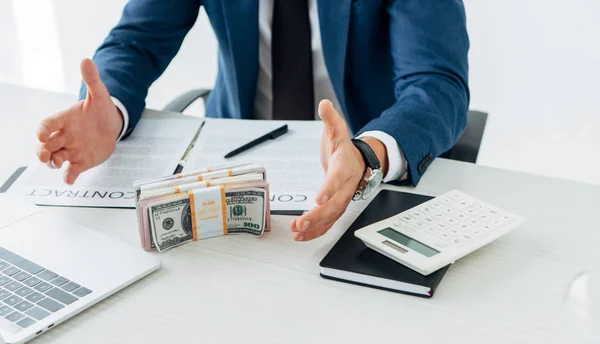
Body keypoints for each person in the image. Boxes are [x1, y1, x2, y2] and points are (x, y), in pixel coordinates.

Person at [35, 0, 470, 242]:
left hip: (358, 167)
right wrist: (110, 111)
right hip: (234, 160)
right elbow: (136, 41)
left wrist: (369, 152)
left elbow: (437, 84)